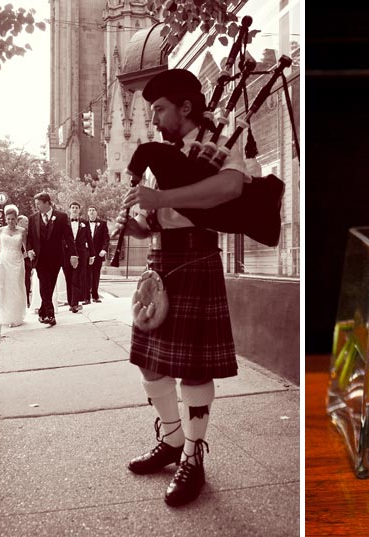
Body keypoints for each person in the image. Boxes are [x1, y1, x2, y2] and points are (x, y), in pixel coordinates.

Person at [118, 68, 248, 507]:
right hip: (161, 258)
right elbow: (153, 217)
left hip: (197, 257)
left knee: (193, 369)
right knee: (150, 364)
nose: (153, 118)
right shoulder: (160, 154)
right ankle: (172, 440)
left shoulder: (220, 144)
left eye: (159, 109)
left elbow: (230, 189)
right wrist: (136, 224)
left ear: (185, 107)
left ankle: (194, 456)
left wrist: (162, 200)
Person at [26, 193, 76, 326]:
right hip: (39, 258)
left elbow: (69, 237)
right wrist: (29, 250)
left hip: (56, 258)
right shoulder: (32, 219)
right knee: (44, 284)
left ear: (47, 203)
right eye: (36, 204)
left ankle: (43, 312)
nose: (36, 206)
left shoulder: (61, 217)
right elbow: (30, 238)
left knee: (50, 286)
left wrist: (73, 254)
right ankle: (50, 315)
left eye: (39, 203)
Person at [0, 204, 27, 327]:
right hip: (4, 261)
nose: (10, 221)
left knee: (16, 287)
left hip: (17, 261)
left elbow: (26, 249)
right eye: (8, 219)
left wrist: (27, 258)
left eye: (13, 218)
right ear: (5, 219)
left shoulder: (22, 231)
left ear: (17, 219)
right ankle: (5, 316)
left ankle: (16, 317)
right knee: (3, 289)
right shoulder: (1, 230)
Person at [62, 201, 94, 313]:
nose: (75, 209)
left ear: (79, 210)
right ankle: (71, 302)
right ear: (70, 209)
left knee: (77, 278)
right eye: (73, 207)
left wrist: (92, 254)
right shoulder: (65, 222)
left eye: (76, 208)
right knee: (68, 278)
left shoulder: (84, 223)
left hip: (81, 254)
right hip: (67, 254)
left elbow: (89, 239)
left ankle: (75, 304)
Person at [85, 205, 109, 304]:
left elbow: (106, 238)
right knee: (86, 275)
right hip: (86, 253)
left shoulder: (102, 223)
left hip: (98, 254)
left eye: (93, 210)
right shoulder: (83, 223)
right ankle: (86, 298)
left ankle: (95, 296)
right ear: (87, 213)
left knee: (95, 275)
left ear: (96, 212)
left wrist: (104, 250)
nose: (91, 212)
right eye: (89, 210)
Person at [17, 214, 33, 308]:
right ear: (20, 222)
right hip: (16, 260)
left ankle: (26, 300)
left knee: (27, 281)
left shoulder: (28, 234)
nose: (28, 223)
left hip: (27, 263)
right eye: (26, 221)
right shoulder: (14, 232)